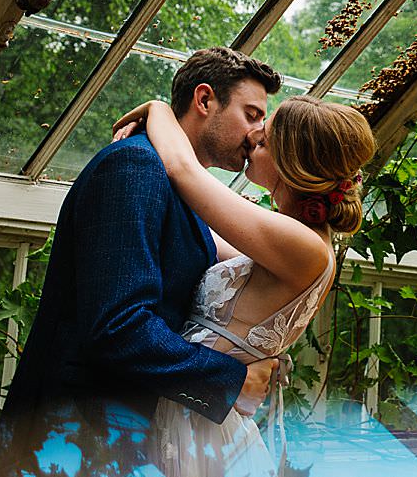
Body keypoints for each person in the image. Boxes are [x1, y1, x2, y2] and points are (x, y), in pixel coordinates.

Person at [0, 48, 283, 477]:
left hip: (124, 438)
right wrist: (230, 381)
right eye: (251, 114)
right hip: (76, 440)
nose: (258, 132)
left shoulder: (184, 189)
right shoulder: (135, 166)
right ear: (204, 100)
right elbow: (118, 325)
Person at [111, 94, 376, 476]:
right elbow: (201, 233)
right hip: (199, 415)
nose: (251, 139)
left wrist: (157, 109)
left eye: (264, 141)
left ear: (293, 164)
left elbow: (184, 172)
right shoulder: (292, 241)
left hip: (200, 429)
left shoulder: (304, 246)